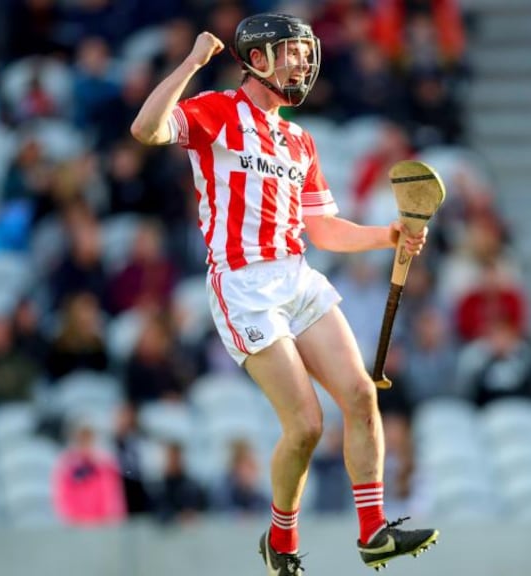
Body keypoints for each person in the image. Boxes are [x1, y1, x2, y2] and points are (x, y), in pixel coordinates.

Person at [129, 13, 437, 574]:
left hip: (297, 277)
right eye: (291, 51)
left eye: (303, 51)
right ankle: (283, 541)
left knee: (363, 397)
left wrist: (387, 236)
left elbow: (323, 230)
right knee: (306, 425)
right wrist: (193, 63)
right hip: (243, 286)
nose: (302, 62)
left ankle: (373, 533)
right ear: (258, 58)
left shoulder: (300, 139)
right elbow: (146, 129)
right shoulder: (218, 113)